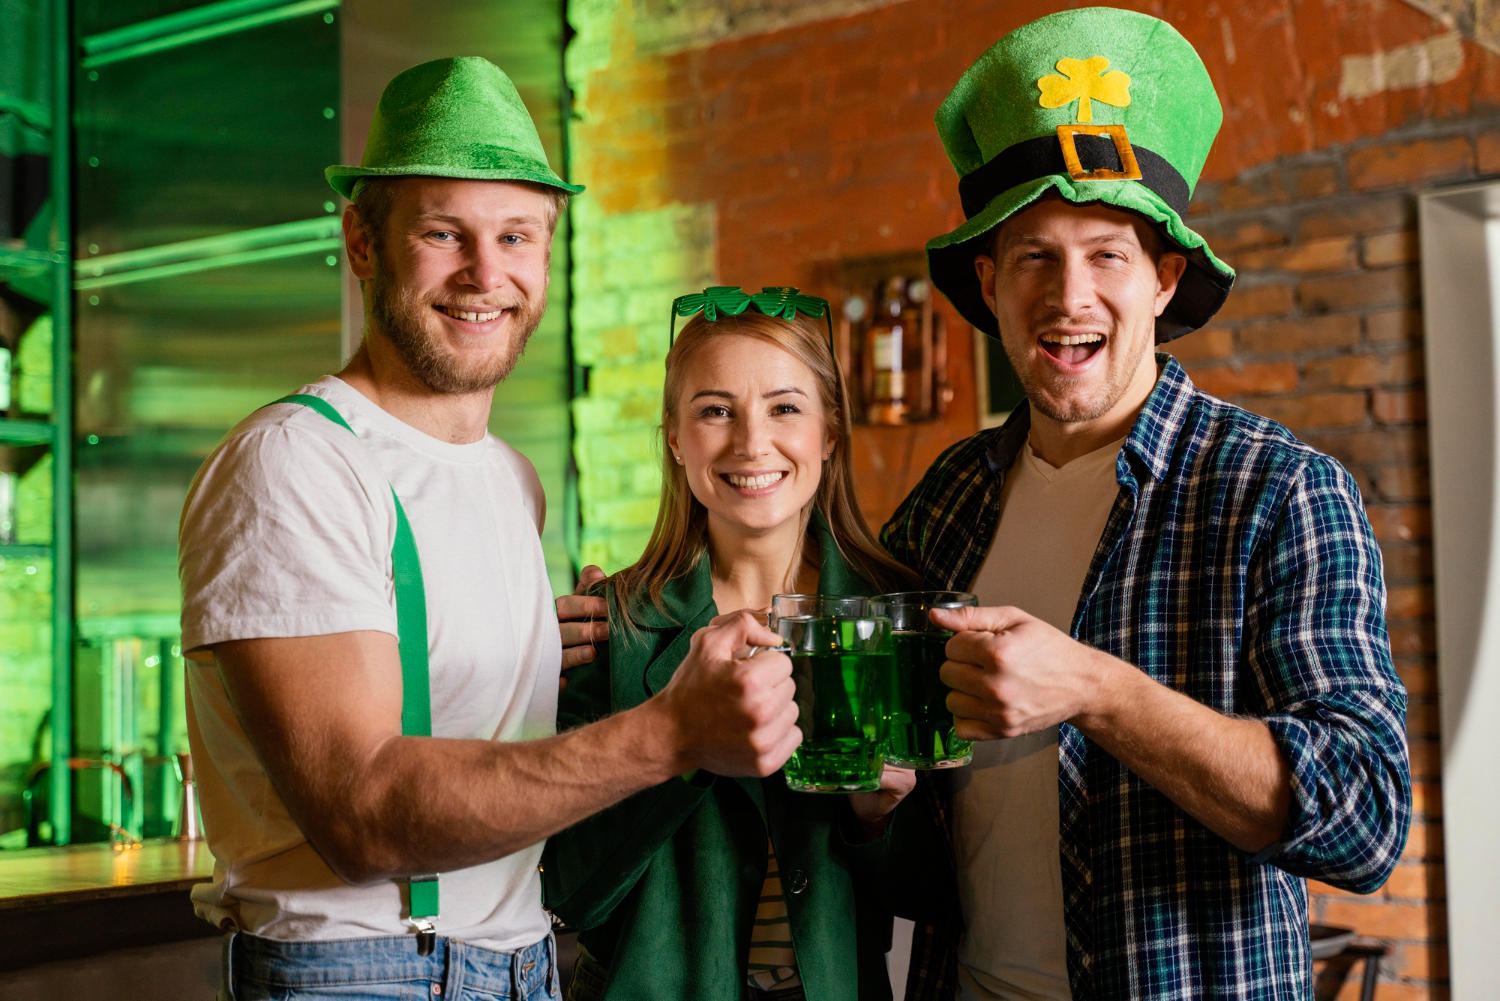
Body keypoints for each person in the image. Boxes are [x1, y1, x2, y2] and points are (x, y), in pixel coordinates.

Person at [177, 59, 802, 1001]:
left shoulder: (511, 478)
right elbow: (365, 814)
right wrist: (671, 731)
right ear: (361, 240)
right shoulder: (294, 462)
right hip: (364, 972)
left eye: (516, 235)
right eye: (443, 233)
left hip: (519, 965)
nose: (486, 274)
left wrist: (532, 662)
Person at [882, 8, 1412, 999]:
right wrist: (878, 804)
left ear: (1166, 278)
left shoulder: (1280, 494)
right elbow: (919, 831)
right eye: (1034, 256)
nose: (1068, 294)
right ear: (990, 286)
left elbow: (1366, 813)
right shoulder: (945, 504)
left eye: (1107, 255)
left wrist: (1100, 691)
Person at [542, 287, 930, 1001]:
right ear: (673, 437)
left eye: (784, 407)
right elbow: (571, 892)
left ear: (830, 434)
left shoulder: (897, 618)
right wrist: (680, 746)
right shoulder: (612, 624)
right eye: (715, 410)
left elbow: (935, 896)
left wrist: (874, 820)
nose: (752, 442)